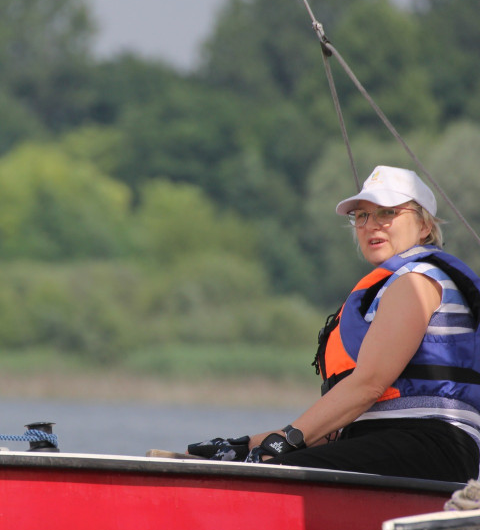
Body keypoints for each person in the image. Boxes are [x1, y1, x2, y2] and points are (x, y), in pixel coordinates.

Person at [189, 166, 480, 483]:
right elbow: (350, 417)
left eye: (387, 212)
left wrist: (288, 441)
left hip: (432, 443)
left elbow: (369, 385)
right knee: (253, 463)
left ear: (424, 225)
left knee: (273, 474)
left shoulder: (416, 282)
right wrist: (246, 445)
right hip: (389, 439)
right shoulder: (392, 285)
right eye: (362, 216)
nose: (372, 225)